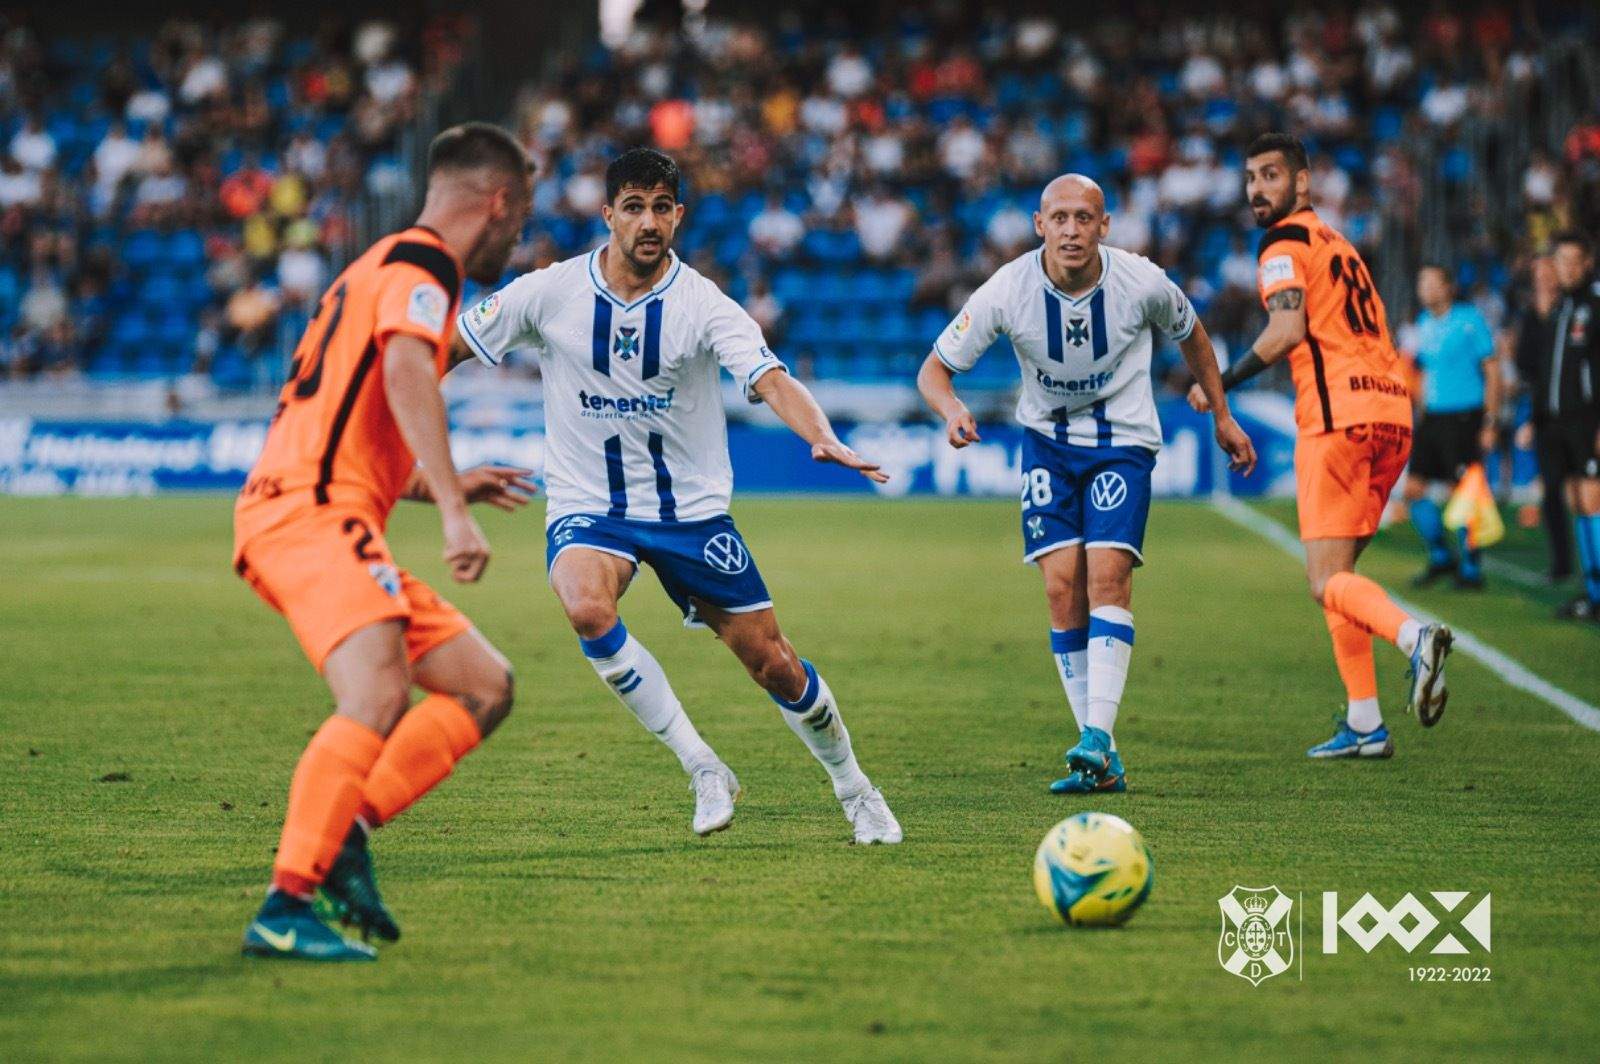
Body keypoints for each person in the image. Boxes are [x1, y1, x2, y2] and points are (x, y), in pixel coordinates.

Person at [456, 148, 903, 844]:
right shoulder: (546, 293)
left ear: (679, 215)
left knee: (775, 665)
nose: (648, 222)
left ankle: (855, 788)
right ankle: (702, 767)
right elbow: (441, 348)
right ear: (607, 214)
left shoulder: (701, 303)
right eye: (633, 207)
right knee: (584, 604)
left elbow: (771, 377)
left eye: (662, 207)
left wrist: (821, 435)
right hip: (591, 506)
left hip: (690, 516)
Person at [233, 123, 536, 961]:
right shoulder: (427, 263)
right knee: (375, 695)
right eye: (522, 216)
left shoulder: (371, 269)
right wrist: (450, 507)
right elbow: (407, 374)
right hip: (309, 513)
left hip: (317, 503)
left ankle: (346, 836)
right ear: (500, 202)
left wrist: (439, 479)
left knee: (484, 685)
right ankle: (284, 905)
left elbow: (348, 421)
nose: (517, 237)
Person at [917, 174, 1257, 794]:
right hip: (1047, 443)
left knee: (1107, 576)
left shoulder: (1142, 281)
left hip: (1122, 442)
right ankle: (1100, 754)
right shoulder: (1008, 290)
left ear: (1105, 226)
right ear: (1039, 225)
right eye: (1060, 218)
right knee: (1058, 587)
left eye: (1084, 218)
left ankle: (1097, 737)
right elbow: (934, 371)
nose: (1072, 230)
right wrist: (952, 410)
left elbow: (1194, 334)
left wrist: (1225, 414)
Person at [1188, 132, 1452, 760]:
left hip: (1338, 419)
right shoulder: (1341, 245)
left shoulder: (1283, 243)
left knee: (1324, 580)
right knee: (1341, 578)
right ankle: (1365, 722)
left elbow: (1285, 331)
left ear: (1302, 183)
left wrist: (1216, 383)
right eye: (1251, 176)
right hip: (1391, 414)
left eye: (1271, 175)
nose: (1257, 188)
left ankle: (1414, 637)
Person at [1403, 264, 1500, 588]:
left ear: (1449, 287)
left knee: (1465, 492)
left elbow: (1492, 371)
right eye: (1421, 283)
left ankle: (1472, 568)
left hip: (1464, 417)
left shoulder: (1469, 320)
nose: (1425, 289)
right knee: (1413, 490)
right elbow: (1425, 374)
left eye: (1432, 283)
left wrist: (1490, 421)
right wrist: (1418, 415)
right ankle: (1442, 557)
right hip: (1433, 419)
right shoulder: (1423, 323)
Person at [1529, 231, 1600, 621]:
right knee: (1576, 499)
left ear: (1587, 262)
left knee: (1592, 499)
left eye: (1575, 261)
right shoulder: (1560, 309)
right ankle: (1591, 592)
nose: (1568, 268)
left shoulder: (1594, 304)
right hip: (1557, 422)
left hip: (1587, 419)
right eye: (1562, 261)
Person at [1507, 254, 1571, 580]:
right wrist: (1531, 419)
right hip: (1544, 413)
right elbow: (1526, 365)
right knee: (1553, 490)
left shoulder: (1574, 310)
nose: (1545, 277)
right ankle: (1563, 564)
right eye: (1539, 272)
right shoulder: (1531, 315)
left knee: (1584, 493)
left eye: (1550, 270)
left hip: (1577, 412)